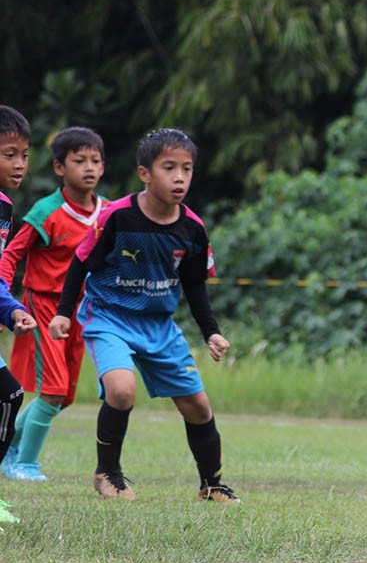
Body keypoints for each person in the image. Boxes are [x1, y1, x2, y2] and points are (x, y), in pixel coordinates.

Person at [49, 128, 240, 503]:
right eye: (169, 167)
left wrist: (211, 332)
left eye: (186, 168)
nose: (179, 177)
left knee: (199, 407)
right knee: (121, 390)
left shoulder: (193, 229)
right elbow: (80, 262)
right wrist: (63, 314)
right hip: (110, 318)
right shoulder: (117, 217)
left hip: (159, 326)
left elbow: (195, 286)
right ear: (145, 174)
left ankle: (211, 484)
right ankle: (107, 474)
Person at [0, 127, 108, 482]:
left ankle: (10, 444)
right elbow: (9, 255)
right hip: (44, 307)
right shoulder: (46, 211)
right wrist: (6, 301)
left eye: (95, 160)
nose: (89, 168)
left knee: (66, 396)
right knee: (53, 389)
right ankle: (25, 464)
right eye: (80, 161)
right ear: (60, 167)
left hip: (82, 311)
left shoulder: (107, 213)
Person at [0, 106, 41, 522]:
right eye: (9, 153)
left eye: (24, 154)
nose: (19, 164)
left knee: (9, 395)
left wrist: (12, 310)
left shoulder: (4, 209)